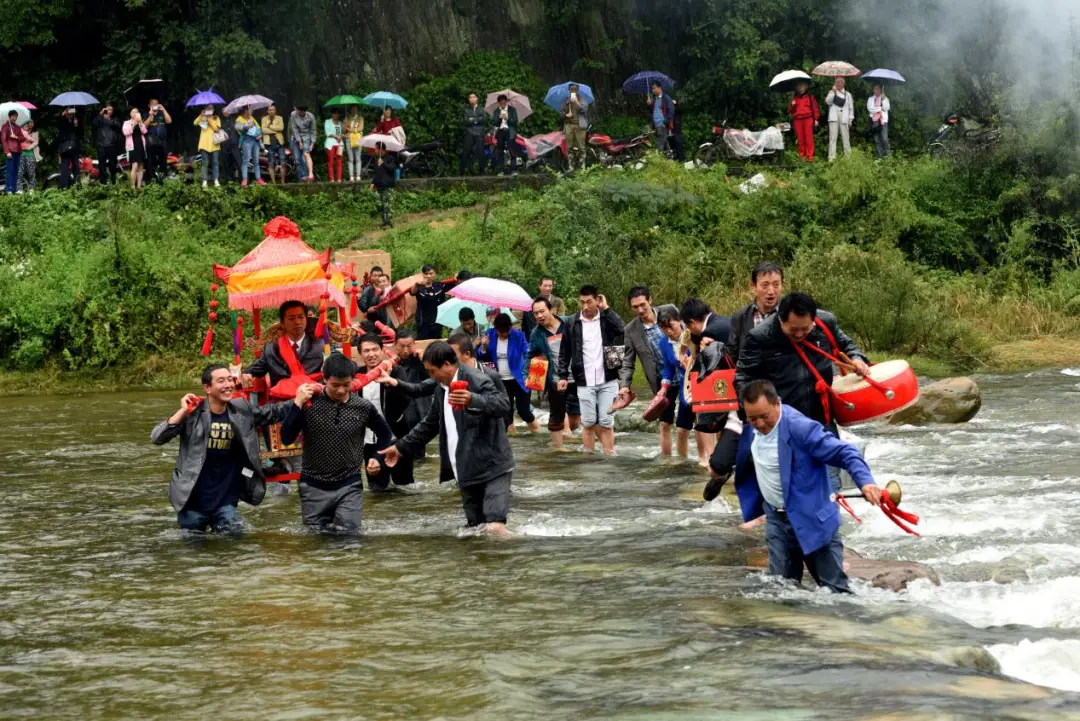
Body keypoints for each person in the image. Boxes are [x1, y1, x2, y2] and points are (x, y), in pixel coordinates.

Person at [735, 379, 882, 593]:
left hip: (813, 520)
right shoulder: (750, 430)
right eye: (752, 418)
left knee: (836, 593)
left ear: (777, 404)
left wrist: (866, 482)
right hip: (777, 520)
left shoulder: (800, 428)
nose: (758, 423)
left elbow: (845, 452)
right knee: (782, 591)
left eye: (764, 417)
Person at [380, 342, 514, 536]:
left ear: (447, 365)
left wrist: (472, 399)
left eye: (432, 371)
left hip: (493, 467)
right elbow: (429, 424)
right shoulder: (441, 387)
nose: (431, 376)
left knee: (494, 527)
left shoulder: (476, 378)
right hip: (467, 469)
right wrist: (400, 448)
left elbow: (503, 405)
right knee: (476, 530)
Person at [150, 363, 299, 534]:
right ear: (207, 387)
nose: (228, 385)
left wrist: (298, 400)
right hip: (192, 498)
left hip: (225, 499)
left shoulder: (241, 409)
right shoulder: (193, 413)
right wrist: (182, 411)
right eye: (221, 381)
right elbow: (157, 437)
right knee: (193, 549)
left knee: (233, 541)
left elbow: (271, 412)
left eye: (230, 379)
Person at [280, 353, 392, 535]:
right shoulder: (309, 403)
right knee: (317, 540)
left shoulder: (362, 407)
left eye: (346, 385)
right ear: (324, 379)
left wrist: (377, 457)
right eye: (335, 385)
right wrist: (297, 404)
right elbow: (286, 438)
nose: (341, 390)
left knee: (350, 536)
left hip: (350, 485)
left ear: (353, 380)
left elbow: (385, 435)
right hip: (313, 485)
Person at [735, 291, 868, 432]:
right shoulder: (760, 337)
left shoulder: (826, 323)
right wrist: (755, 412)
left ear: (813, 319)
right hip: (783, 422)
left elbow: (847, 344)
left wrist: (857, 359)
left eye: (805, 329)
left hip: (823, 418)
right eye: (793, 329)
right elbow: (743, 378)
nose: (799, 334)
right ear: (780, 319)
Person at [556, 286, 625, 455]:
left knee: (606, 422)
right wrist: (563, 376)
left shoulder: (605, 319)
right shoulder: (572, 322)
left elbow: (622, 329)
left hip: (607, 378)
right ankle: (588, 459)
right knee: (587, 423)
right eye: (582, 302)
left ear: (597, 300)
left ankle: (610, 456)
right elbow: (564, 350)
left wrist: (606, 309)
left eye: (589, 302)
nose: (585, 306)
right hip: (583, 379)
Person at [619, 286, 681, 455]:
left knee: (692, 419)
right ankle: (667, 462)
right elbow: (628, 362)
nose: (640, 310)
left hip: (685, 374)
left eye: (643, 305)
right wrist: (624, 386)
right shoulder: (631, 330)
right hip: (661, 381)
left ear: (650, 300)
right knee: (665, 423)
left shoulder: (669, 311)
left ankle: (694, 458)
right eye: (635, 307)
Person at [528, 296, 582, 449]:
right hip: (556, 378)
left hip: (579, 377)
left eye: (542, 311)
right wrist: (528, 377)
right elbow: (530, 355)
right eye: (535, 313)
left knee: (577, 419)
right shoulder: (536, 333)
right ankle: (559, 450)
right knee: (556, 417)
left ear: (550, 309)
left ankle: (577, 443)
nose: (539, 316)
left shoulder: (568, 323)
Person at [478, 312, 542, 433]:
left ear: (510, 328)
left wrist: (533, 375)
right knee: (506, 414)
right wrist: (483, 347)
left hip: (519, 380)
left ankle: (538, 433)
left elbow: (528, 354)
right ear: (495, 329)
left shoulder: (518, 336)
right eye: (499, 332)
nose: (502, 335)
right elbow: (481, 356)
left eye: (505, 332)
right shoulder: (489, 335)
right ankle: (513, 443)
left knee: (524, 411)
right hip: (501, 381)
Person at [243, 300, 326, 389]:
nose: (297, 322)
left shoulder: (320, 345)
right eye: (291, 318)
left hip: (315, 398)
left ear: (306, 319)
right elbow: (254, 370)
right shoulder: (271, 348)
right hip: (282, 400)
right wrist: (246, 374)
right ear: (282, 323)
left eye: (301, 317)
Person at [656, 307, 698, 459]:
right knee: (681, 429)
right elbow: (668, 368)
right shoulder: (663, 343)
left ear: (679, 321)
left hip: (702, 385)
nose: (668, 331)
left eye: (671, 326)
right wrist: (664, 387)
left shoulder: (694, 335)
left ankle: (708, 459)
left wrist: (692, 361)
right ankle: (683, 463)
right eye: (663, 328)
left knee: (705, 427)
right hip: (685, 390)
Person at [725, 261, 784, 367]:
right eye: (765, 285)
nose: (771, 291)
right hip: (751, 379)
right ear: (753, 286)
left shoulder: (789, 313)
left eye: (776, 285)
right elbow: (732, 354)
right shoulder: (740, 317)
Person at [411, 265, 457, 340]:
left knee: (436, 344)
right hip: (423, 323)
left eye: (431, 273)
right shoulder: (419, 287)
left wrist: (456, 277)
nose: (428, 276)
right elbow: (412, 292)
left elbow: (455, 284)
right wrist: (416, 284)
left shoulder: (440, 286)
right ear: (422, 274)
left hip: (437, 322)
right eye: (426, 274)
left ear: (435, 274)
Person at [789, 82, 820, 162]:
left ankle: (810, 157)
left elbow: (815, 109)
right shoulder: (794, 98)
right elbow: (791, 111)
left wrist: (816, 119)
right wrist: (793, 105)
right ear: (796, 88)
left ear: (805, 87)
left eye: (802, 86)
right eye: (799, 86)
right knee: (800, 139)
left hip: (808, 119)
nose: (800, 88)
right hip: (797, 120)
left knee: (808, 138)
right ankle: (802, 157)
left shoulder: (810, 97)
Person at [92, 104, 123, 185]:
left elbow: (118, 126)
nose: (109, 111)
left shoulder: (114, 119)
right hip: (101, 145)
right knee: (101, 165)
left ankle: (113, 182)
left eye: (111, 110)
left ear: (112, 111)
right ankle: (103, 183)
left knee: (113, 165)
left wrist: (108, 119)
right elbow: (94, 123)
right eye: (107, 109)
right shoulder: (99, 119)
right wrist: (100, 114)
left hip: (112, 145)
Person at [560, 84, 588, 171]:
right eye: (571, 89)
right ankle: (571, 167)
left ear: (577, 90)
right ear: (569, 91)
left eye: (575, 89)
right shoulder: (566, 101)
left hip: (580, 125)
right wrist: (565, 114)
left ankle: (581, 167)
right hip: (569, 125)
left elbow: (584, 110)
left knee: (581, 147)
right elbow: (561, 113)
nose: (573, 91)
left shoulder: (582, 99)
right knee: (569, 147)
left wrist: (576, 102)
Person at [235, 106, 265, 187]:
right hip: (246, 141)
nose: (252, 111)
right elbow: (238, 128)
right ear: (245, 110)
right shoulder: (239, 119)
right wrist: (247, 126)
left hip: (255, 141)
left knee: (256, 161)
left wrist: (260, 134)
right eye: (250, 109)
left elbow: (259, 128)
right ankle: (244, 179)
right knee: (246, 161)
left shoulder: (252, 118)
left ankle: (258, 179)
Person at [144, 98, 172, 185]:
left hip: (162, 141)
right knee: (151, 161)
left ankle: (163, 179)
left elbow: (169, 121)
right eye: (153, 104)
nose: (154, 105)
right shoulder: (146, 114)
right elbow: (144, 126)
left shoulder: (162, 113)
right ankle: (152, 180)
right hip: (151, 142)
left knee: (163, 161)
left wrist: (163, 109)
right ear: (149, 106)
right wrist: (150, 116)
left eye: (156, 104)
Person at [825, 78, 854, 162]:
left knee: (846, 137)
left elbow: (851, 108)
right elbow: (828, 102)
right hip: (833, 117)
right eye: (837, 82)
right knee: (832, 138)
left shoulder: (848, 94)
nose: (839, 83)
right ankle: (831, 158)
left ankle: (848, 158)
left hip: (844, 117)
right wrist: (833, 92)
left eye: (841, 82)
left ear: (843, 84)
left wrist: (850, 119)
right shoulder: (831, 92)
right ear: (835, 83)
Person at [193, 105, 222, 188]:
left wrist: (210, 121)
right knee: (205, 163)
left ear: (213, 110)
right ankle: (204, 181)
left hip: (215, 144)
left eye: (211, 108)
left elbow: (217, 129)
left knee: (215, 163)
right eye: (208, 108)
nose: (210, 110)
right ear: (205, 109)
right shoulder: (203, 117)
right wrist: (201, 115)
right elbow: (195, 123)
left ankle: (216, 180)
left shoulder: (216, 118)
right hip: (204, 144)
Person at [370, 143, 397, 228]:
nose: (375, 150)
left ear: (381, 149)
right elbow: (376, 173)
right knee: (379, 204)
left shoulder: (390, 158)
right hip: (379, 185)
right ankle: (384, 220)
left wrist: (383, 164)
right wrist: (373, 183)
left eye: (376, 148)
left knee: (387, 205)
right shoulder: (376, 159)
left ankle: (388, 222)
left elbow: (392, 168)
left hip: (387, 185)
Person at [492, 93, 519, 176]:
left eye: (504, 102)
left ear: (506, 101)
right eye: (501, 102)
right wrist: (499, 119)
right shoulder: (496, 111)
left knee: (512, 151)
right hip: (500, 132)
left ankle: (514, 170)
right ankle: (501, 170)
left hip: (510, 131)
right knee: (500, 151)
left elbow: (515, 121)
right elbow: (495, 123)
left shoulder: (512, 109)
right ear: (499, 103)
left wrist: (508, 119)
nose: (503, 104)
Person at [460, 92, 486, 176]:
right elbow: (466, 121)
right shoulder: (466, 110)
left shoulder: (482, 109)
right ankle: (461, 172)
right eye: (470, 97)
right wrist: (477, 119)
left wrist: (472, 119)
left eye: (473, 97)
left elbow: (483, 120)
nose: (472, 99)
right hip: (469, 133)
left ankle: (482, 172)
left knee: (480, 152)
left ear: (477, 98)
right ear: (468, 99)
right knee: (465, 152)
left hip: (479, 133)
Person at [288, 105, 316, 182]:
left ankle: (308, 175)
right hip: (296, 138)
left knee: (305, 155)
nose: (296, 111)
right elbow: (294, 129)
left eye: (297, 110)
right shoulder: (293, 114)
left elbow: (313, 130)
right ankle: (300, 179)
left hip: (307, 137)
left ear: (303, 111)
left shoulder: (310, 116)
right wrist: (299, 141)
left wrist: (312, 142)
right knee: (297, 159)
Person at [123, 108, 148, 191]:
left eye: (137, 112)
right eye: (133, 112)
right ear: (130, 114)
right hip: (131, 146)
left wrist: (140, 122)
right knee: (135, 165)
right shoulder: (127, 123)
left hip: (140, 145)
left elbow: (144, 131)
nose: (135, 113)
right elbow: (126, 132)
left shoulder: (140, 122)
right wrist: (133, 124)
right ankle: (132, 186)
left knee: (141, 166)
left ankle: (139, 186)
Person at [261, 103, 287, 185]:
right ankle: (274, 182)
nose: (271, 111)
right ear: (267, 111)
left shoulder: (279, 118)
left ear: (275, 111)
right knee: (271, 163)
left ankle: (283, 181)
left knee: (283, 162)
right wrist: (275, 130)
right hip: (269, 144)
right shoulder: (264, 119)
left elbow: (281, 128)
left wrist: (270, 127)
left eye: (273, 110)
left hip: (279, 143)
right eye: (270, 110)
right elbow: (264, 130)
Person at [646, 81, 675, 154]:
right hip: (656, 125)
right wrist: (649, 104)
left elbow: (671, 110)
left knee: (660, 146)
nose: (652, 90)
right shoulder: (655, 99)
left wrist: (665, 122)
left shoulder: (666, 98)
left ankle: (659, 161)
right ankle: (670, 159)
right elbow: (654, 111)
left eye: (654, 88)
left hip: (662, 125)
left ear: (659, 88)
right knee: (665, 145)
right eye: (652, 89)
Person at [57, 108, 82, 189]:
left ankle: (77, 185)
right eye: (68, 113)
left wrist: (76, 125)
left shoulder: (76, 121)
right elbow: (58, 124)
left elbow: (81, 134)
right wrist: (62, 115)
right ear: (66, 114)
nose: (70, 115)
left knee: (76, 167)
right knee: (64, 168)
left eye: (71, 113)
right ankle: (63, 186)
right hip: (65, 148)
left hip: (74, 148)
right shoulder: (63, 121)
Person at [1, 110, 26, 195]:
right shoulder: (5, 127)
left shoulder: (18, 127)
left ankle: (15, 188)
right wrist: (7, 152)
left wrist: (15, 136)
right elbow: (3, 140)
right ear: (9, 116)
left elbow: (23, 138)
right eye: (13, 116)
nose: (15, 118)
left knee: (16, 170)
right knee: (9, 170)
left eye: (16, 116)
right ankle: (8, 189)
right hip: (10, 151)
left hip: (18, 151)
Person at [16, 119, 40, 193]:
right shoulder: (20, 132)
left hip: (30, 154)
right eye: (29, 123)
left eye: (32, 123)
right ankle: (19, 189)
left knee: (31, 172)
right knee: (20, 172)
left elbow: (36, 142)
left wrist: (28, 147)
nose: (31, 124)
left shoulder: (35, 133)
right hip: (21, 154)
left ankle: (32, 189)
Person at [868, 84, 891, 159]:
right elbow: (870, 109)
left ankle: (888, 156)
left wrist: (883, 100)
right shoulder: (870, 99)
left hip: (883, 121)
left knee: (884, 139)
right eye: (875, 89)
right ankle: (879, 157)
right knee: (877, 140)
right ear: (873, 90)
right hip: (874, 121)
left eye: (878, 89)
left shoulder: (885, 98)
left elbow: (886, 108)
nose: (876, 90)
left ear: (881, 90)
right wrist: (879, 109)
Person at [344, 105, 365, 182]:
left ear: (357, 110)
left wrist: (349, 129)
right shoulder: (347, 118)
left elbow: (360, 128)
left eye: (355, 109)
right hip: (348, 139)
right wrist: (345, 123)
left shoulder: (360, 118)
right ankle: (351, 176)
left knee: (358, 157)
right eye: (352, 109)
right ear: (350, 110)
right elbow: (344, 130)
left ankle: (358, 175)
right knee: (350, 158)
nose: (354, 110)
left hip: (358, 139)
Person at [324, 109, 344, 183]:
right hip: (330, 143)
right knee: (331, 161)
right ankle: (331, 179)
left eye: (337, 113)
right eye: (334, 113)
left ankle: (339, 179)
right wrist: (336, 136)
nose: (336, 115)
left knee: (339, 161)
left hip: (340, 144)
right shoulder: (327, 121)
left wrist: (341, 136)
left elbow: (343, 133)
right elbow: (327, 133)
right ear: (332, 114)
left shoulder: (341, 123)